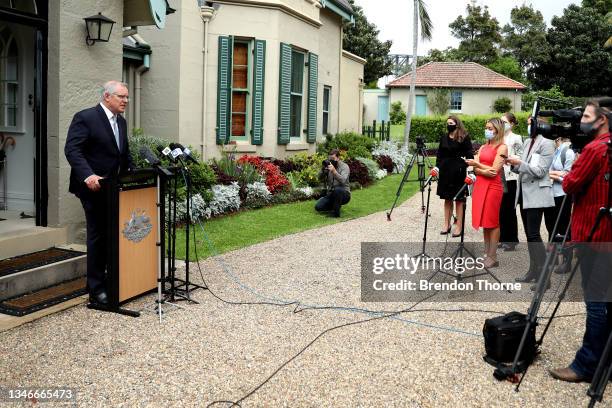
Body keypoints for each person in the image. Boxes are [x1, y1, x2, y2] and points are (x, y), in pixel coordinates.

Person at [549, 100, 611, 383]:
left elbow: (571, 184)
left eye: (586, 116)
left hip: (594, 235)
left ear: (602, 120)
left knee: (596, 301)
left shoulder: (595, 149)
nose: (580, 120)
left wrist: (566, 175)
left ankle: (586, 365)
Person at [64, 81, 134, 306]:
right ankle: (96, 289)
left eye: (127, 97)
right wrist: (88, 175)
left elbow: (123, 155)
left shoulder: (121, 123)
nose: (125, 101)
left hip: (113, 189)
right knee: (97, 236)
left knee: (111, 235)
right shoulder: (85, 117)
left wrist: (132, 177)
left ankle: (108, 280)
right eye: (121, 97)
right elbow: (72, 150)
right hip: (92, 188)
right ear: (107, 96)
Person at [506, 117, 555, 287]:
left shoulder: (547, 143)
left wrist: (520, 163)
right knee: (529, 235)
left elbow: (541, 171)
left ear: (539, 125)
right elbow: (525, 166)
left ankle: (544, 277)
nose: (528, 126)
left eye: (530, 124)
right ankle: (533, 271)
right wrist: (513, 164)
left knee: (534, 234)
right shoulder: (528, 142)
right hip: (524, 194)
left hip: (537, 194)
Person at [466, 118, 508, 269]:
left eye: (490, 128)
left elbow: (494, 172)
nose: (487, 130)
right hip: (480, 185)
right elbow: (477, 171)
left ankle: (493, 256)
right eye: (486, 128)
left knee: (492, 221)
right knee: (484, 220)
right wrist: (482, 169)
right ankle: (486, 253)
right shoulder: (483, 146)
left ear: (498, 130)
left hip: (493, 187)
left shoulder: (502, 148)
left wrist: (477, 166)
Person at [435, 115, 474, 237]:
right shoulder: (443, 137)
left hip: (459, 172)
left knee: (459, 200)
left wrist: (466, 165)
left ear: (457, 124)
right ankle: (446, 224)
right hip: (445, 172)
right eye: (447, 123)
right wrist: (437, 167)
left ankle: (459, 226)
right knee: (447, 199)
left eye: (451, 123)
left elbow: (470, 155)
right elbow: (439, 154)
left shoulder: (464, 137)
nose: (449, 125)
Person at [543, 136, 575, 274]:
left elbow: (568, 177)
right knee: (552, 226)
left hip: (563, 195)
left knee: (564, 227)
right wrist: (555, 174)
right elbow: (548, 171)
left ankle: (567, 261)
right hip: (553, 194)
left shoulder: (568, 152)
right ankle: (554, 256)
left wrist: (552, 174)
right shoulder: (556, 151)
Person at [499, 112, 523, 251]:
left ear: (512, 124)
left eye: (505, 122)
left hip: (511, 176)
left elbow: (521, 156)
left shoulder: (516, 138)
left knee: (509, 208)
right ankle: (502, 237)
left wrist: (510, 158)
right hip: (499, 175)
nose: (502, 125)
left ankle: (512, 240)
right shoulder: (498, 137)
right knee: (500, 208)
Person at [315, 149, 350, 217]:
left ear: (338, 158)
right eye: (330, 159)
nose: (331, 161)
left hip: (344, 194)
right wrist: (323, 170)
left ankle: (336, 213)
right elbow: (319, 179)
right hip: (331, 193)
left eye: (333, 158)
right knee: (318, 207)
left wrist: (334, 171)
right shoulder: (328, 166)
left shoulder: (344, 167)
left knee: (338, 190)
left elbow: (343, 180)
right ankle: (336, 205)